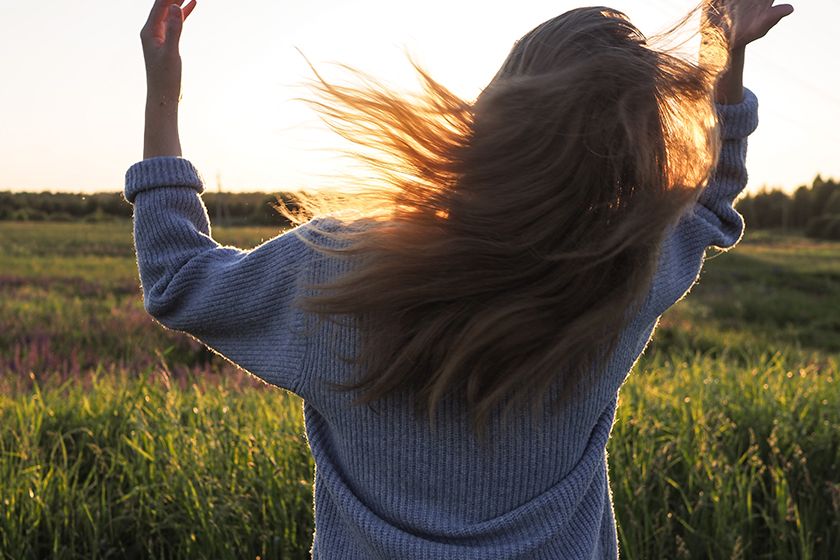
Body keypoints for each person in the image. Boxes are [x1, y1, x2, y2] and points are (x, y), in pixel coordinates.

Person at [126, 0, 793, 557]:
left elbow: (178, 278)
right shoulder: (616, 281)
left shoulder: (338, 268)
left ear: (496, 109)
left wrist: (163, 94)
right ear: (630, 155)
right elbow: (708, 200)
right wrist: (722, 56)